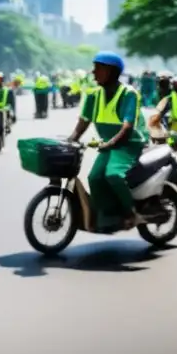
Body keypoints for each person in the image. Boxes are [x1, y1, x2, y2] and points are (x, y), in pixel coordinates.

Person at [66, 52, 147, 229]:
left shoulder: (128, 94)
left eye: (98, 69)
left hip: (128, 144)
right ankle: (109, 214)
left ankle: (131, 213)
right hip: (109, 144)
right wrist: (70, 140)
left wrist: (110, 143)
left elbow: (127, 127)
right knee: (94, 177)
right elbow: (83, 123)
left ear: (112, 72)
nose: (93, 73)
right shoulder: (93, 95)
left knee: (113, 174)